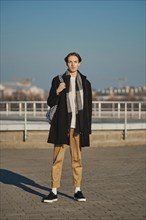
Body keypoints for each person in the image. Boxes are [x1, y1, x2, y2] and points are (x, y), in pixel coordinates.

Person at [43, 52, 92, 203]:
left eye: (75, 61)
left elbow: (89, 108)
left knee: (77, 159)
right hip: (61, 126)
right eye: (70, 62)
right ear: (66, 63)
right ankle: (53, 191)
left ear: (79, 63)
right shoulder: (57, 80)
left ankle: (77, 190)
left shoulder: (85, 83)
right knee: (57, 159)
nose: (72, 64)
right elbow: (50, 102)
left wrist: (87, 128)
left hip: (78, 127)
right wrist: (57, 91)